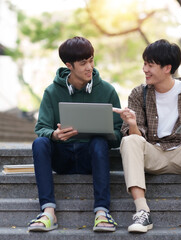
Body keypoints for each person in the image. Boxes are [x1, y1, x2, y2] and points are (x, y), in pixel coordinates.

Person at [113, 39, 181, 237]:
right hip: (153, 154)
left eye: (150, 65)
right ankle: (142, 212)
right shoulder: (139, 94)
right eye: (144, 64)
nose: (145, 69)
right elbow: (135, 137)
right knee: (129, 140)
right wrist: (133, 124)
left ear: (167, 68)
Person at [28, 36, 122, 232]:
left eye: (91, 60)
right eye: (83, 63)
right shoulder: (52, 92)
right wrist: (55, 134)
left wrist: (105, 133)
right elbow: (41, 128)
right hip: (63, 158)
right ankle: (48, 212)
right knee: (40, 143)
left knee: (98, 141)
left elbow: (119, 134)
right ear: (68, 65)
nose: (89, 67)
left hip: (92, 157)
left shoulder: (107, 91)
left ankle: (102, 212)